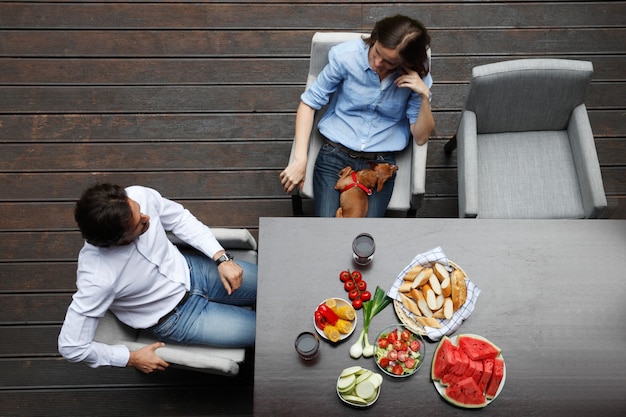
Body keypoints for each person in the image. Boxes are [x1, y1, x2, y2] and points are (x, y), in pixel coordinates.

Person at [58, 183, 257, 374]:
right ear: (117, 240)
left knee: (276, 286)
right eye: (139, 224)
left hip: (194, 270)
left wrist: (221, 258)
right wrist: (130, 358)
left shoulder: (139, 196)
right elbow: (71, 347)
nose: (147, 217)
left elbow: (180, 219)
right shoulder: (97, 279)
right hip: (178, 318)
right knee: (268, 331)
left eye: (139, 210)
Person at [279, 15, 435, 217]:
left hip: (379, 165)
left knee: (362, 240)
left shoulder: (417, 77)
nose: (378, 62)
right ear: (374, 38)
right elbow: (309, 103)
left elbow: (421, 136)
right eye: (377, 52)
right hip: (334, 154)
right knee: (329, 232)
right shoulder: (346, 57)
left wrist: (424, 96)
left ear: (406, 62)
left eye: (389, 63)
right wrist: (300, 160)